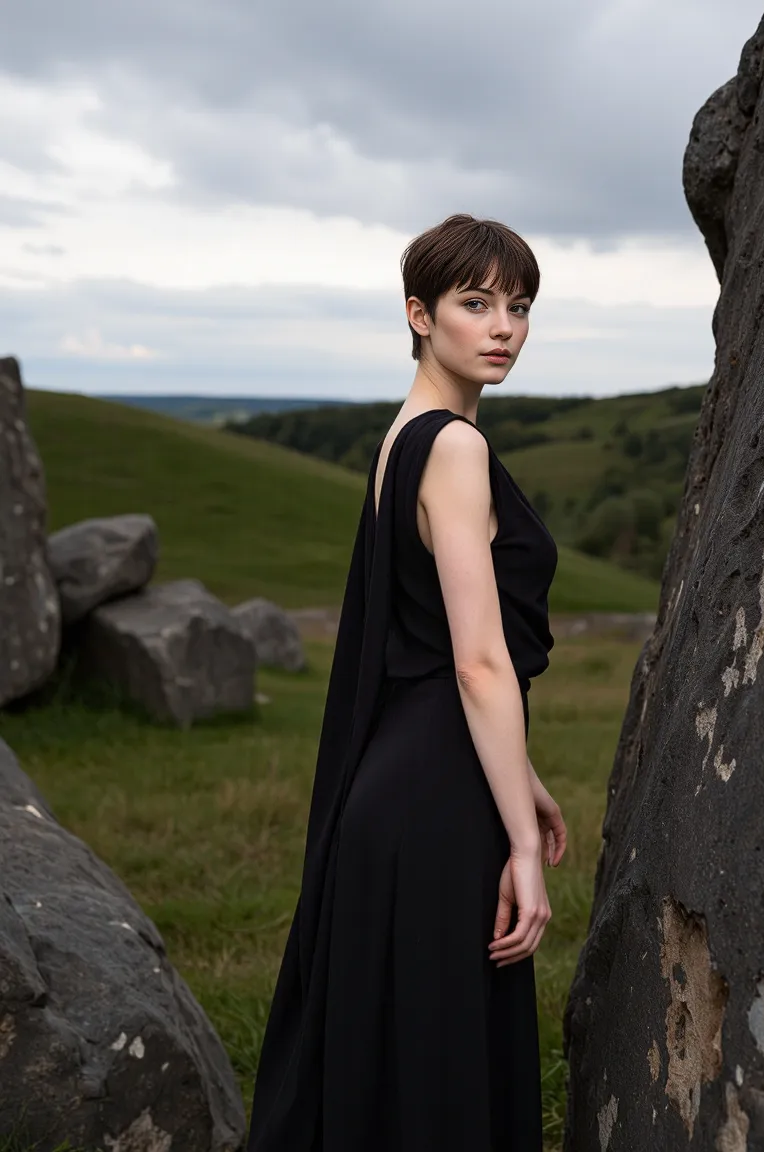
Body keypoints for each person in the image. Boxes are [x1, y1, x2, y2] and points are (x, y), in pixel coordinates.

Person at [246, 213, 568, 1152]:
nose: (504, 326)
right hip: (436, 799)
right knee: (438, 1069)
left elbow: (424, 646)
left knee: (404, 1066)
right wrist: (520, 842)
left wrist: (527, 780)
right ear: (420, 315)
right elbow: (473, 659)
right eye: (477, 303)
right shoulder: (456, 448)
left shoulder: (404, 438)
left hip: (401, 781)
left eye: (519, 305)